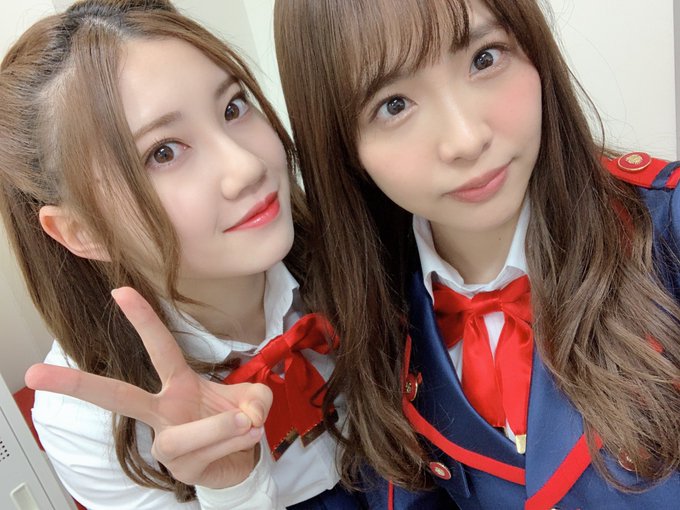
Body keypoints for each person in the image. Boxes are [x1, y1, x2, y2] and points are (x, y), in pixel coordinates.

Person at [273, 0, 680, 508]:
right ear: (342, 149)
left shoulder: (665, 227)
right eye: (394, 105)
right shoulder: (368, 335)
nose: (465, 140)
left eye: (484, 58)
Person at [0, 1, 361, 508]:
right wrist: (231, 489)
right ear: (82, 231)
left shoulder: (353, 247)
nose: (247, 167)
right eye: (163, 152)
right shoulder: (89, 419)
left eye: (233, 107)